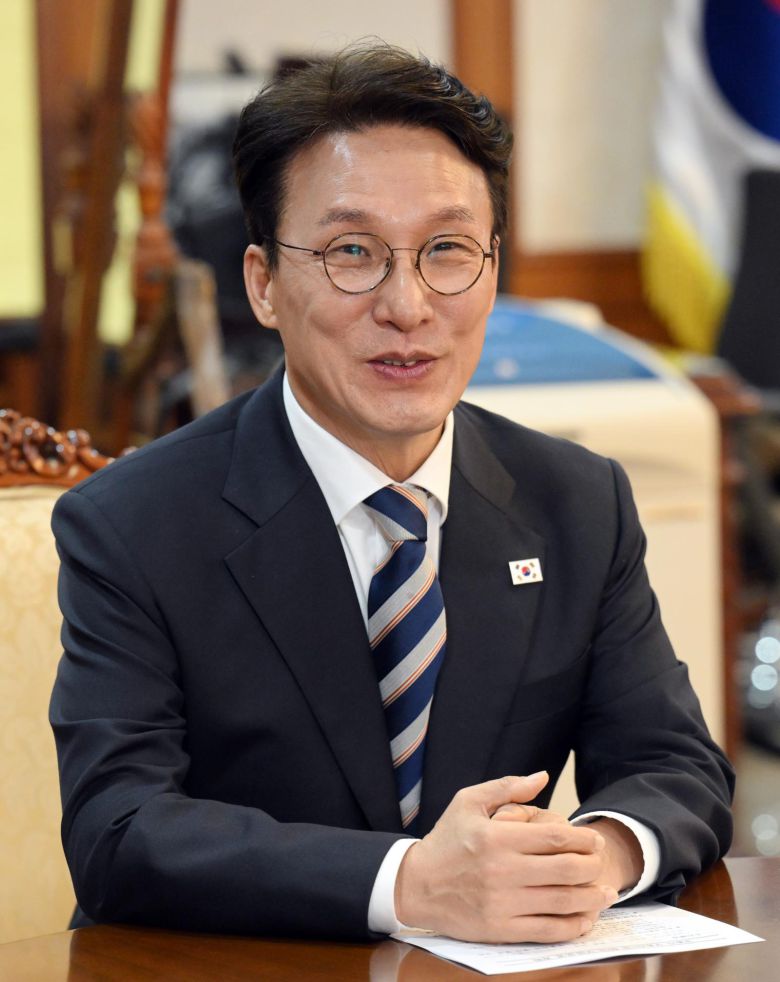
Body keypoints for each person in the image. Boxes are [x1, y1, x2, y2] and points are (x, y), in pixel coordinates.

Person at [50, 43, 734, 943]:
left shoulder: (577, 502)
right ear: (263, 284)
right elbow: (119, 830)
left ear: (492, 270)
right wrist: (409, 883)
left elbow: (676, 767)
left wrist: (598, 855)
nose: (407, 306)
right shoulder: (133, 523)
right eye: (351, 252)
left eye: (447, 250)